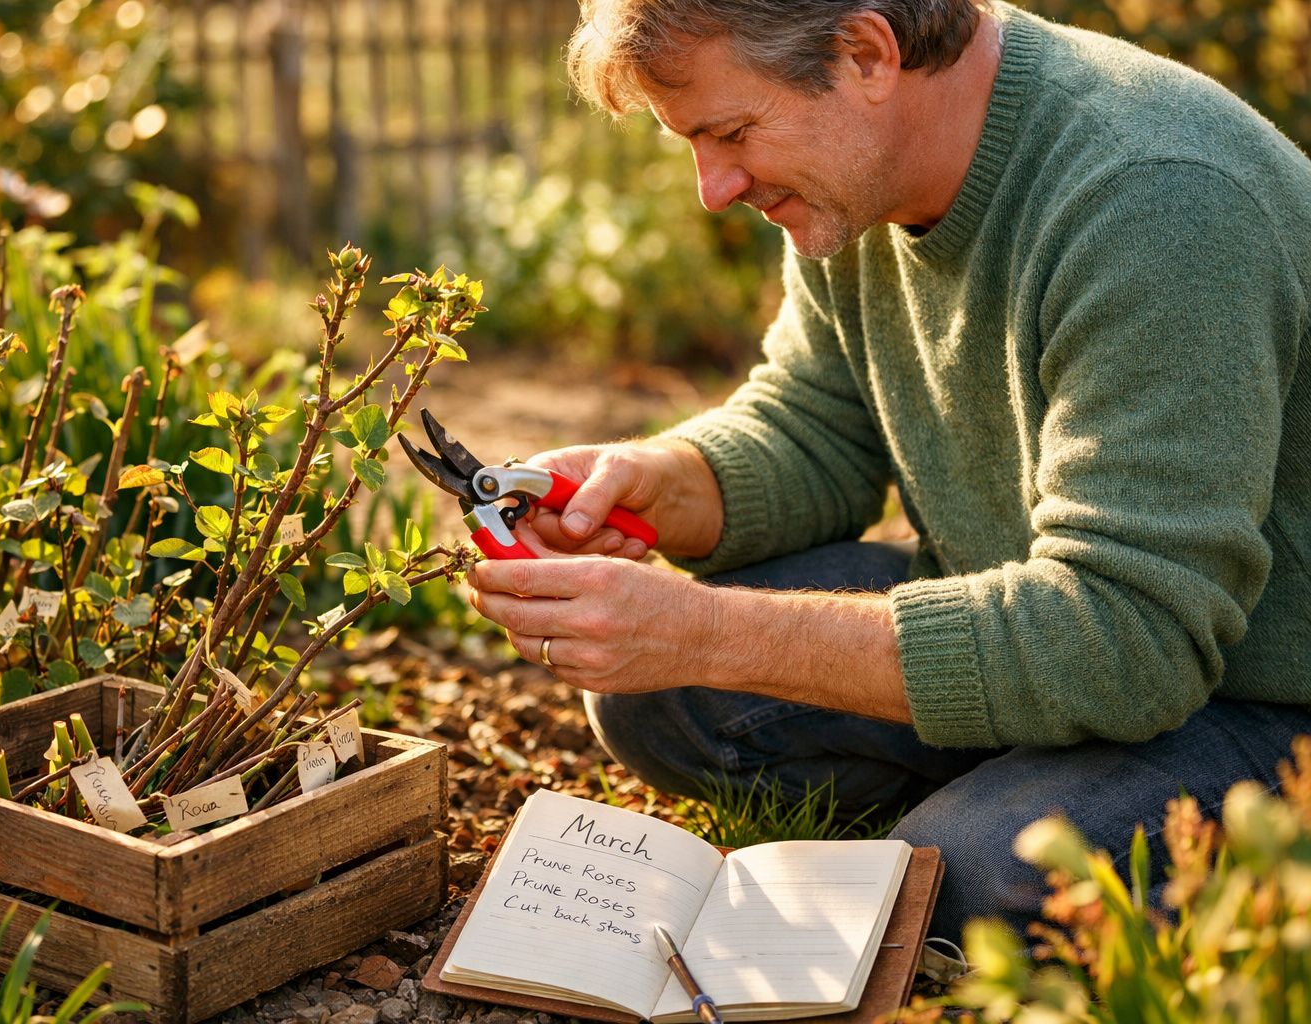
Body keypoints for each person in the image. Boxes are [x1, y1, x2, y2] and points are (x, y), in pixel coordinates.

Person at [464, 0, 1311, 941]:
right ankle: (1035, 764)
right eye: (693, 144)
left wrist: (708, 631)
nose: (714, 186)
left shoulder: (1157, 199)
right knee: (655, 700)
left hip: (1261, 691)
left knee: (960, 886)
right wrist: (664, 479)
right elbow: (816, 426)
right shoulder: (860, 175)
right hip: (1072, 629)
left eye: (733, 132)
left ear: (866, 52)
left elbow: (1128, 638)